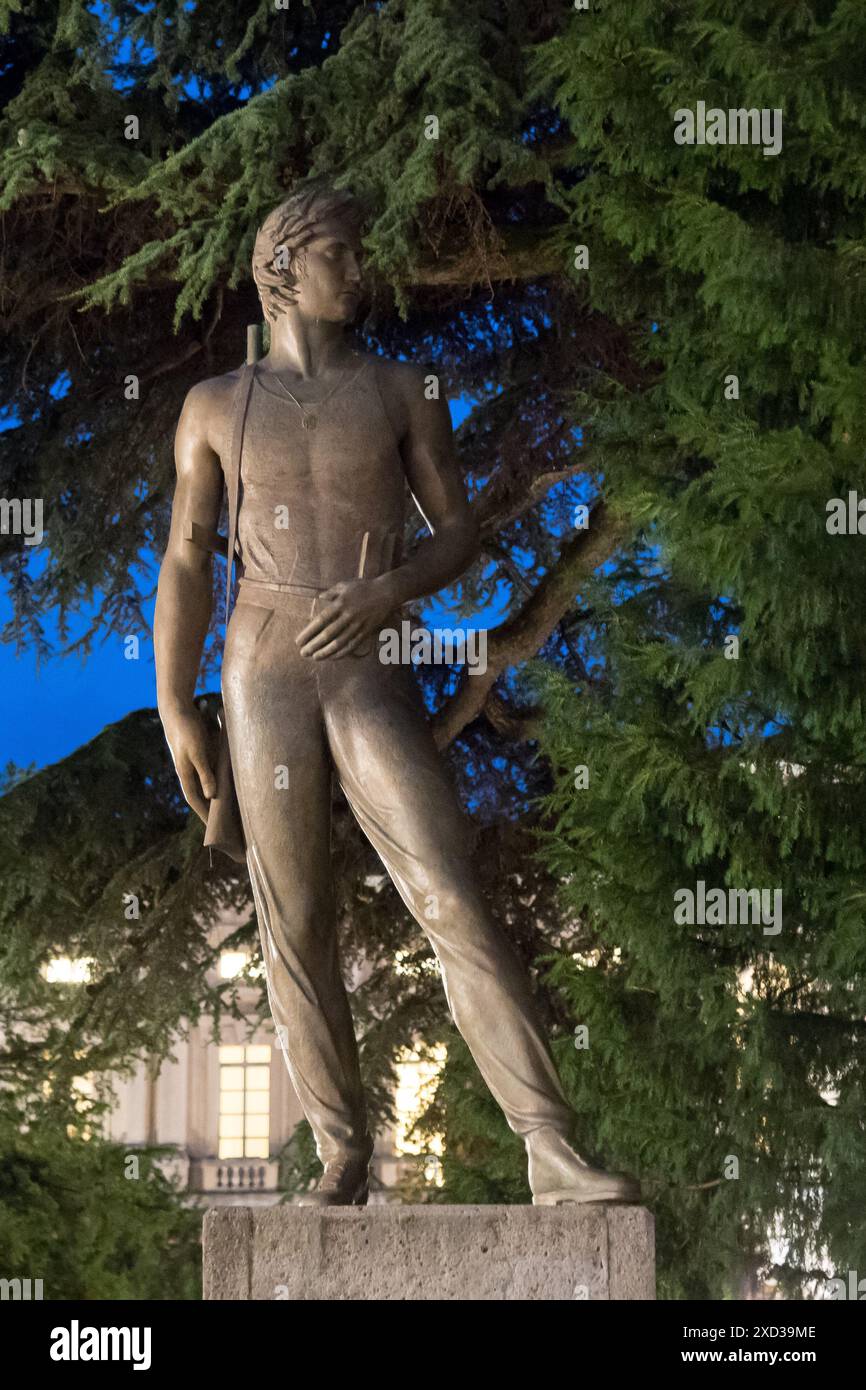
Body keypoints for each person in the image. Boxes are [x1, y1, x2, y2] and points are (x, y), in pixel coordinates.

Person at [154, 181, 639, 1208]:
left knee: (447, 890)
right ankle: (341, 1152)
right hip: (263, 664)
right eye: (339, 250)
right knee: (293, 914)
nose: (359, 267)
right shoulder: (213, 406)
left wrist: (388, 588)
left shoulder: (400, 387)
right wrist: (173, 705)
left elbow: (458, 531)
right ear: (281, 265)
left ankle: (547, 1143)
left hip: (367, 661)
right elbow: (186, 564)